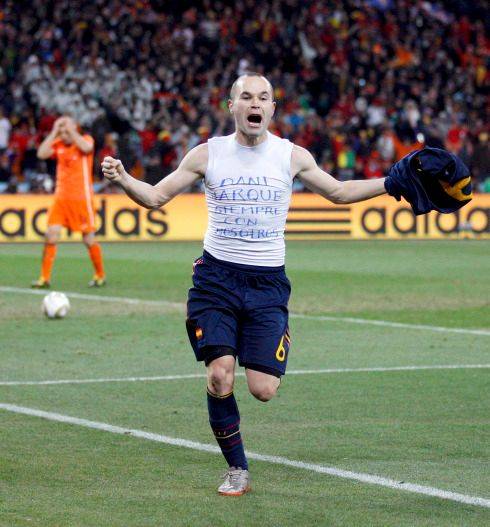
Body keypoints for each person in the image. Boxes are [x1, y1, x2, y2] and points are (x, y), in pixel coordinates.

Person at [101, 73, 386, 496]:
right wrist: (124, 179)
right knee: (221, 375)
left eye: (264, 97)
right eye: (247, 97)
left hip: (268, 283)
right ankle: (237, 468)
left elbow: (340, 192)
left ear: (272, 108)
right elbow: (156, 197)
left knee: (264, 389)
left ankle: (269, 339)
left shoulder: (291, 156)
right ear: (231, 106)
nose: (256, 103)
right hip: (216, 280)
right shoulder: (207, 153)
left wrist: (391, 183)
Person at [32, 116, 105, 288]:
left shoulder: (85, 140)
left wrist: (70, 129)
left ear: (75, 129)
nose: (63, 135)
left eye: (66, 131)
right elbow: (41, 153)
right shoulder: (58, 144)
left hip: (81, 198)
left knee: (88, 239)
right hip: (61, 199)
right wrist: (54, 131)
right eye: (62, 132)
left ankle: (100, 275)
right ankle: (44, 278)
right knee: (51, 234)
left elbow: (87, 148)